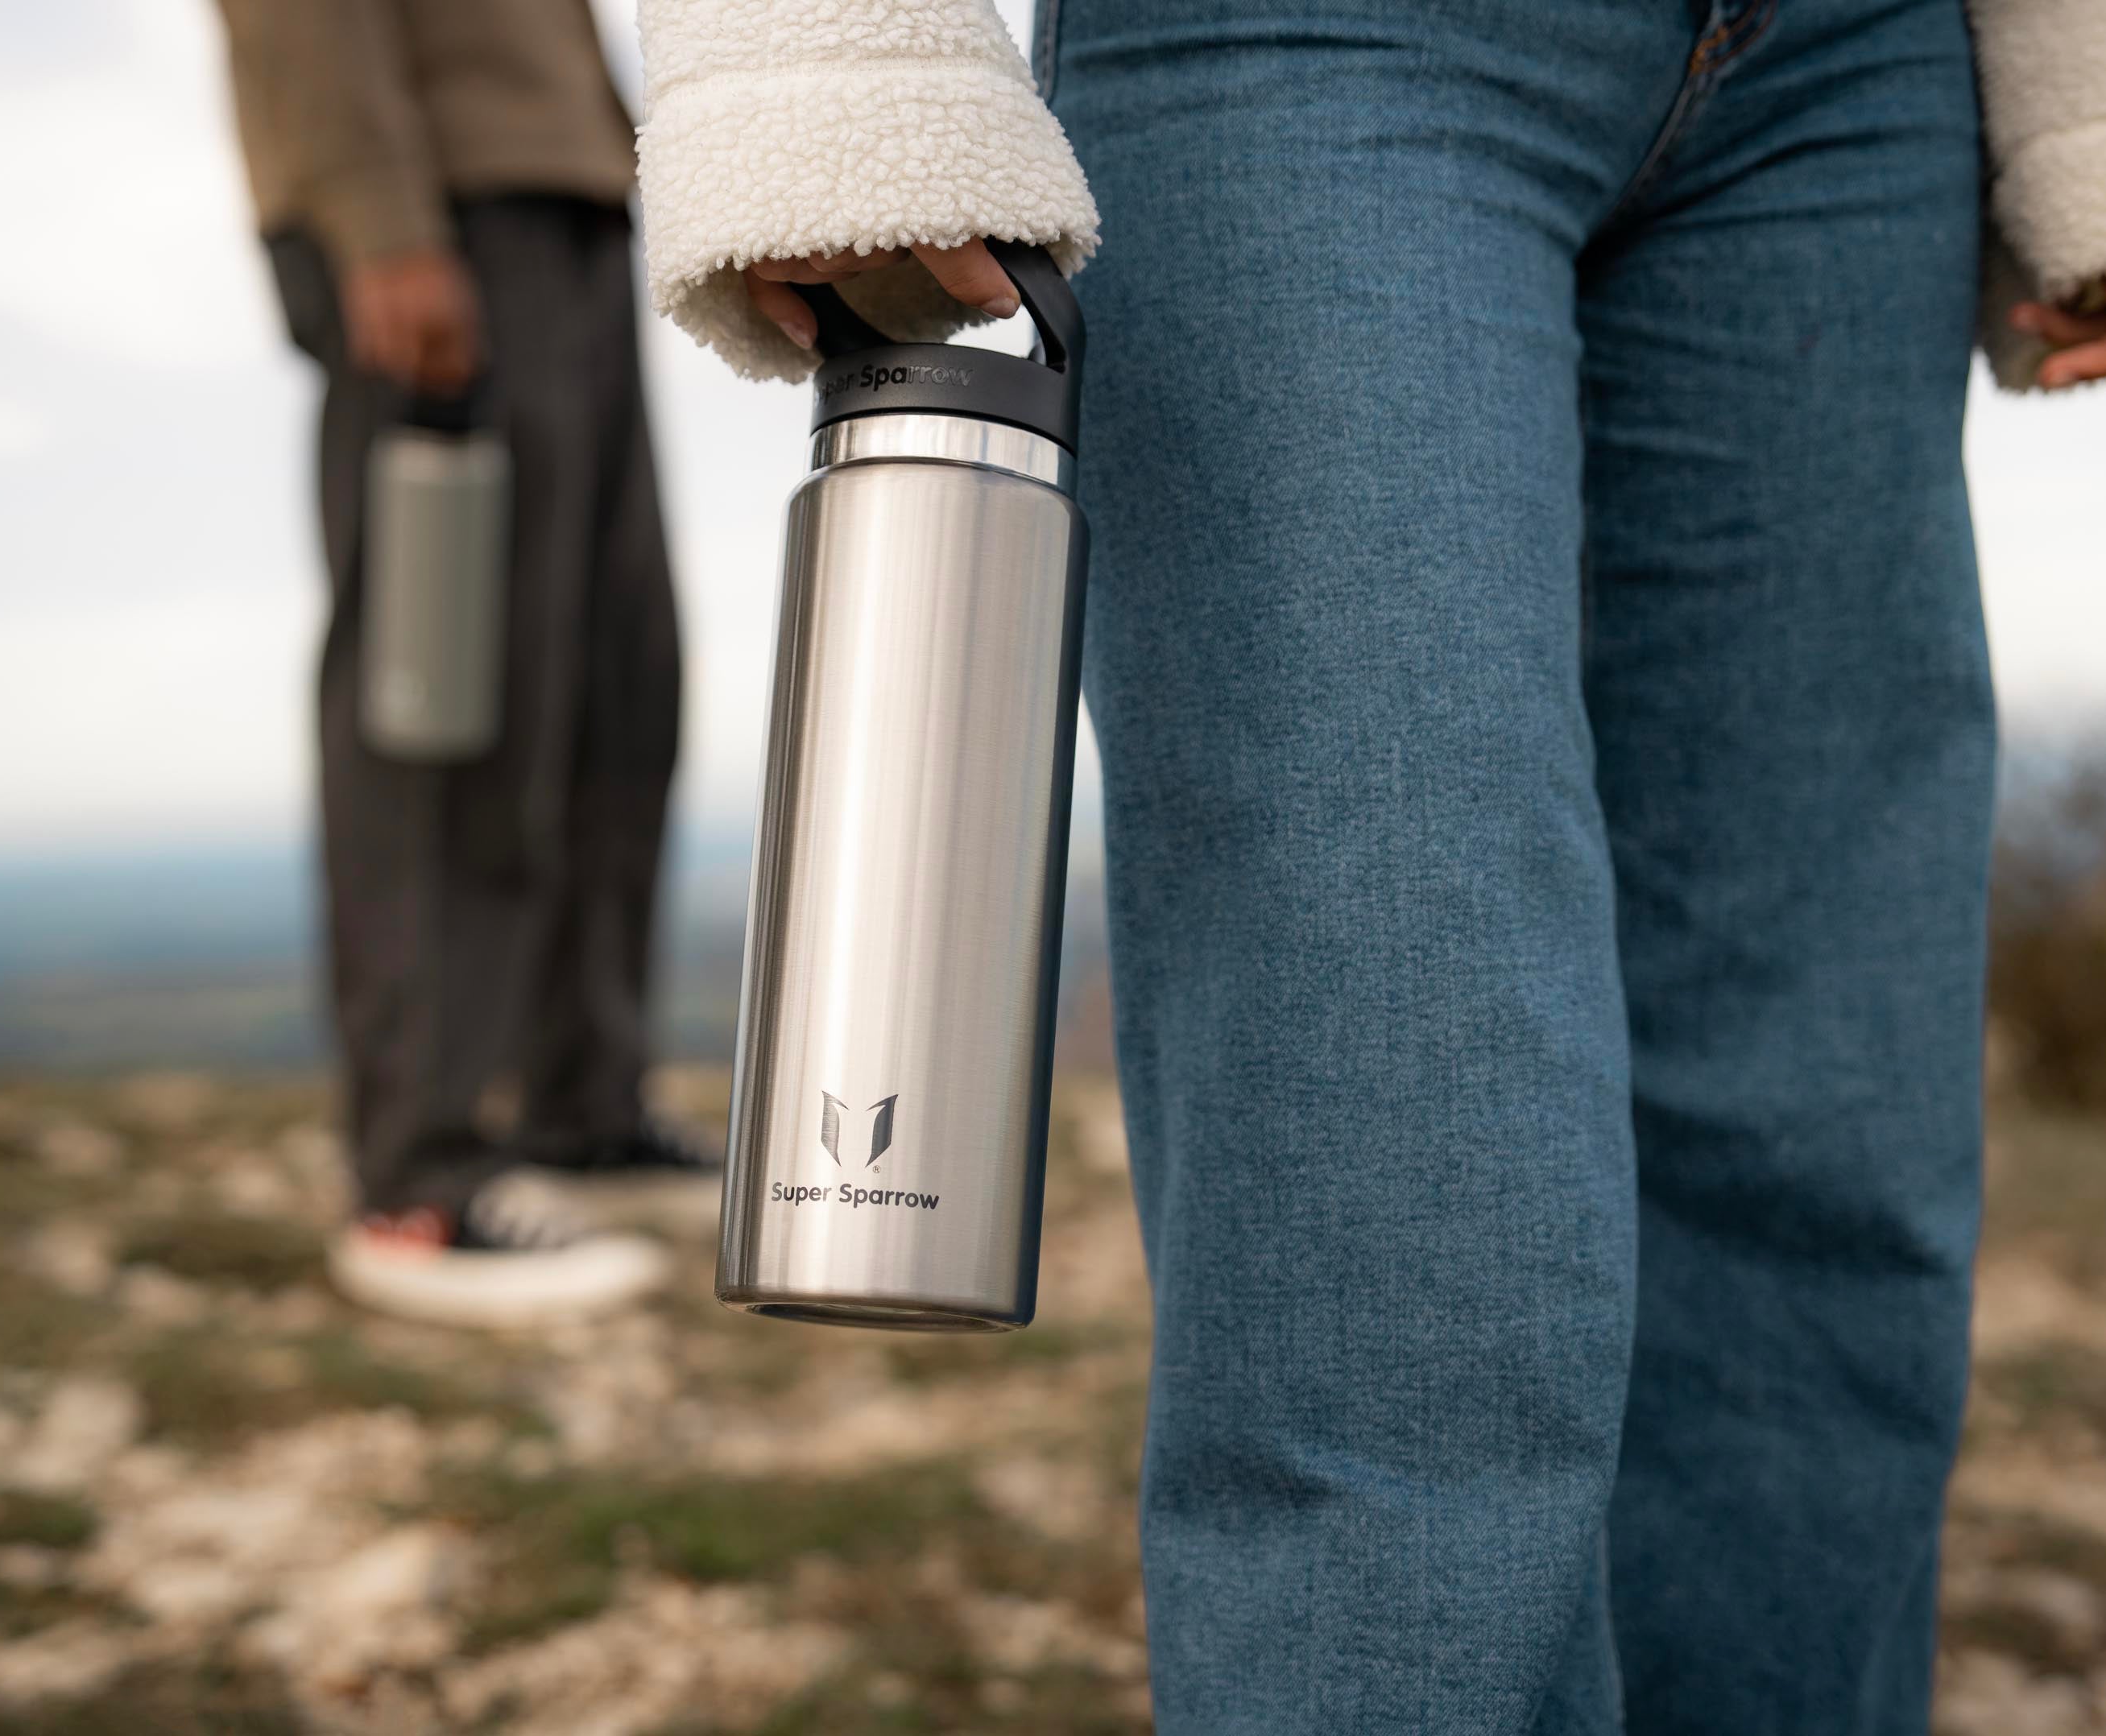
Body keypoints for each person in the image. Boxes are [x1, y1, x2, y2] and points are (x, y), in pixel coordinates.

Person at [633, 0, 2104, 1727]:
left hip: (1858, 78)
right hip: (1313, 49)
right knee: (1396, 1210)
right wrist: (830, 65)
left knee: (1818, 1171)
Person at [214, 0, 711, 1329]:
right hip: (442, 210)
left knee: (616, 685)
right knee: (446, 699)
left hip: (568, 206)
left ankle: (580, 1112)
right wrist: (377, 217)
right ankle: (419, 1185)